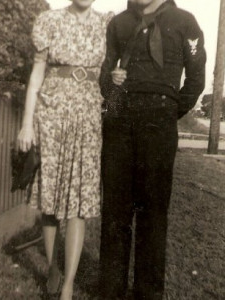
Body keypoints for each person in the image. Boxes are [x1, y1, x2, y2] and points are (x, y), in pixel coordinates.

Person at [99, 0, 206, 299]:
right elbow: (105, 74)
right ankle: (110, 290)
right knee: (115, 210)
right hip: (120, 119)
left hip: (159, 121)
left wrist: (169, 111)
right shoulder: (118, 23)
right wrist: (110, 81)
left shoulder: (185, 21)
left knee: (153, 211)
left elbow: (196, 79)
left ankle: (147, 292)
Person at [17, 1, 113, 299]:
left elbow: (115, 70)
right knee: (51, 195)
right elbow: (35, 79)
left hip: (87, 116)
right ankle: (52, 267)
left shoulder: (107, 25)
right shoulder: (49, 21)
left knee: (78, 198)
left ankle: (68, 284)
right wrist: (26, 125)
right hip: (51, 114)